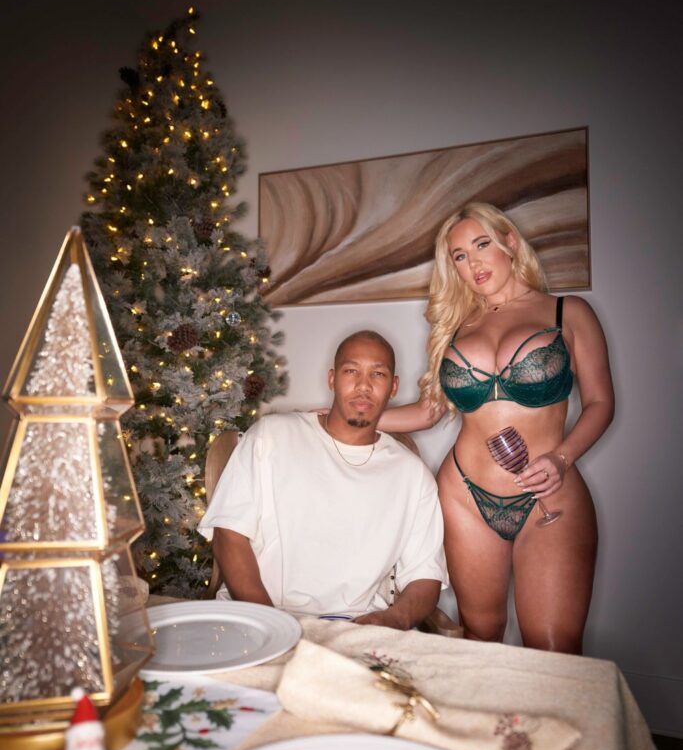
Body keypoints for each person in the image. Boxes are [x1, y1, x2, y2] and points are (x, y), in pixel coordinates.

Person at [378, 202, 614, 654]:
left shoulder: (568, 313)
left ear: (509, 241)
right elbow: (429, 412)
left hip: (549, 493)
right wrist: (348, 417)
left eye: (481, 245)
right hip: (465, 496)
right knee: (480, 639)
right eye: (459, 256)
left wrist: (561, 459)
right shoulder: (455, 327)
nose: (473, 263)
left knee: (554, 650)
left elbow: (601, 403)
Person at [199, 330, 448, 629]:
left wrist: (395, 618)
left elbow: (425, 575)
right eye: (351, 371)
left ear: (393, 387)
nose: (364, 385)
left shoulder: (413, 475)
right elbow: (229, 535)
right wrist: (272, 625)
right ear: (332, 379)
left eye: (378, 374)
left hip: (356, 629)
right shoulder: (272, 436)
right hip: (260, 618)